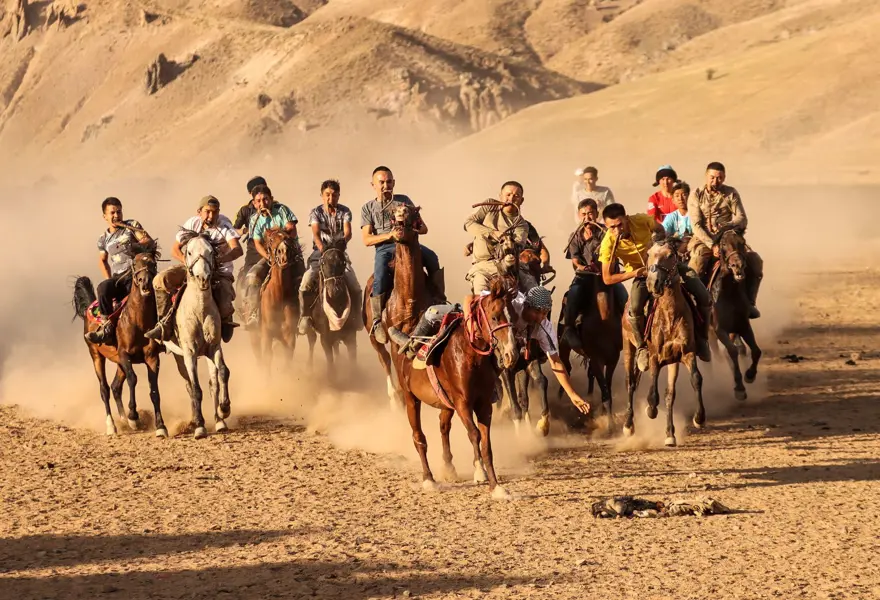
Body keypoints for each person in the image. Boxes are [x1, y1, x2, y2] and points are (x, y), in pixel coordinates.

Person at [393, 286, 591, 414]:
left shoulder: (544, 327)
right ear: (527, 306)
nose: (541, 317)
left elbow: (556, 362)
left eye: (545, 313)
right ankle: (411, 344)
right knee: (433, 312)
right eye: (537, 312)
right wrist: (469, 322)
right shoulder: (512, 304)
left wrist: (572, 394)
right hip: (479, 327)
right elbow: (469, 296)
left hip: (500, 348)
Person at [599, 203, 711, 371]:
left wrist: (657, 244)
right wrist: (635, 273)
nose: (617, 231)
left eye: (620, 225)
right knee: (635, 308)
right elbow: (607, 278)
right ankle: (642, 347)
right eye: (612, 227)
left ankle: (702, 339)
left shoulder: (642, 220)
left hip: (666, 268)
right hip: (642, 276)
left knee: (704, 295)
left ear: (626, 219)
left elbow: (660, 229)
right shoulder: (608, 243)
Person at [361, 166, 444, 344]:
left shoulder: (404, 201)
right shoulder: (368, 208)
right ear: (373, 185)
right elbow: (367, 239)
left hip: (409, 244)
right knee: (381, 274)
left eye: (389, 182)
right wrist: (390, 235)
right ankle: (376, 320)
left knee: (432, 258)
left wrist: (408, 229)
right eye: (381, 182)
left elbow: (424, 228)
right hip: (385, 248)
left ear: (394, 183)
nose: (386, 185)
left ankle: (439, 299)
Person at [146, 195, 243, 343]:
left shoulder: (224, 226)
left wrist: (219, 260)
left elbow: (237, 249)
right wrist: (188, 263)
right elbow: (175, 250)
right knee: (160, 280)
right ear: (199, 211)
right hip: (191, 269)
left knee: (224, 298)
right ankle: (164, 321)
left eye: (215, 212)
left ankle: (225, 320)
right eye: (208, 211)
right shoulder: (192, 223)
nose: (211, 216)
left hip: (219, 271)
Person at [688, 161, 763, 318]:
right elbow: (696, 225)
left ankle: (750, 303)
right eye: (712, 177)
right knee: (696, 268)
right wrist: (712, 243)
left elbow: (742, 218)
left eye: (720, 178)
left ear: (724, 178)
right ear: (706, 176)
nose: (716, 181)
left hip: (728, 237)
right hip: (703, 239)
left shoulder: (731, 193)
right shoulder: (696, 194)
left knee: (755, 262)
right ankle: (695, 306)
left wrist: (725, 227)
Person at [560, 199, 627, 351]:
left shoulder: (608, 232)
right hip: (584, 276)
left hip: (608, 276)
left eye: (590, 213)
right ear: (578, 215)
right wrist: (584, 266)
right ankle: (569, 328)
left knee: (624, 296)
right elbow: (575, 259)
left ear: (597, 214)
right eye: (583, 214)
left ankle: (631, 332)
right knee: (573, 294)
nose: (587, 217)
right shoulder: (575, 236)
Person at [86, 197, 154, 344]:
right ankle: (107, 327)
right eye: (112, 213)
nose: (116, 216)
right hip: (119, 277)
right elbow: (103, 261)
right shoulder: (103, 239)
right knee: (103, 288)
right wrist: (109, 278)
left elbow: (147, 240)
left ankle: (164, 326)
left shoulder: (132, 226)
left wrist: (138, 246)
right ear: (105, 216)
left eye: (119, 212)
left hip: (137, 272)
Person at [297, 179, 363, 334]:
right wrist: (323, 249)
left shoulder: (345, 211)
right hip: (320, 253)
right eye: (327, 195)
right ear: (322, 195)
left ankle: (358, 316)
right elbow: (316, 234)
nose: (330, 198)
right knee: (306, 280)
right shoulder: (315, 213)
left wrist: (341, 244)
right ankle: (305, 316)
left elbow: (348, 232)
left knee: (354, 284)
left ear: (338, 196)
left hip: (339, 254)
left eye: (334, 195)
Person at [241, 184, 299, 328]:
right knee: (252, 276)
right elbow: (257, 242)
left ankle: (305, 316)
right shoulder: (254, 219)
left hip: (290, 254)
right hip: (270, 257)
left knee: (303, 281)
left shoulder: (282, 210)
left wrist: (280, 235)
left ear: (271, 199)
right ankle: (253, 313)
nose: (262, 204)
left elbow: (291, 228)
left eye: (265, 199)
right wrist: (269, 257)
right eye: (258, 201)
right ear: (254, 203)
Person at [464, 181, 530, 293]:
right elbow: (469, 223)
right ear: (500, 196)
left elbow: (519, 245)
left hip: (507, 268)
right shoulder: (489, 206)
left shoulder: (521, 224)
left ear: (521, 201)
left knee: (532, 294)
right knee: (480, 297)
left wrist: (508, 243)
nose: (511, 198)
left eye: (516, 196)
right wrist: (492, 233)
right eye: (508, 195)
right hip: (482, 267)